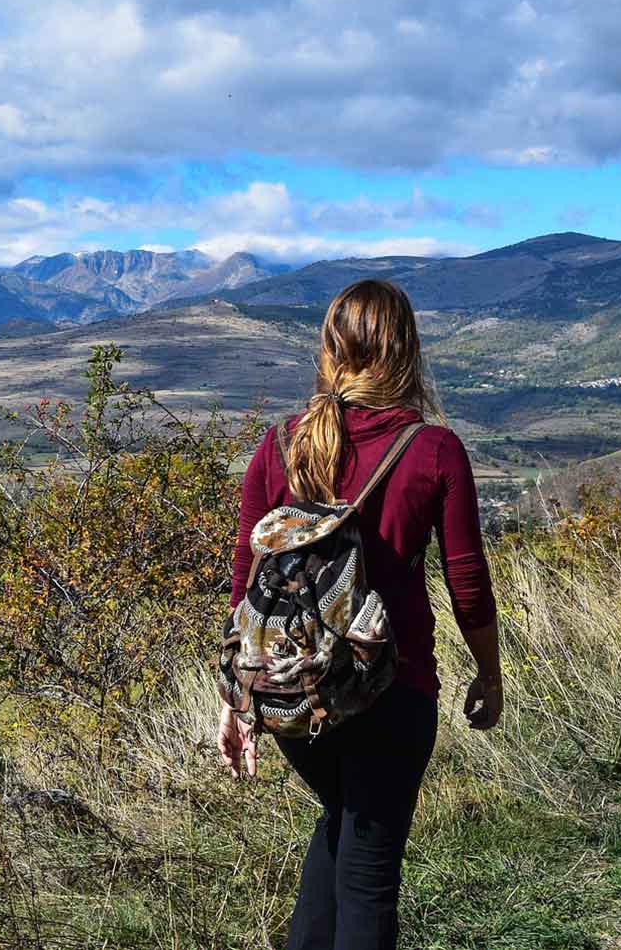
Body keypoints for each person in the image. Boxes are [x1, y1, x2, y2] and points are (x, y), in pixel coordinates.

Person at [219, 278, 502, 950]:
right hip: (390, 690)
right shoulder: (433, 449)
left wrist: (235, 698)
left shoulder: (282, 442)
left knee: (342, 828)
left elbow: (247, 576)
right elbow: (467, 582)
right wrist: (490, 676)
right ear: (406, 350)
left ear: (330, 349)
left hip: (293, 693)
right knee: (369, 881)